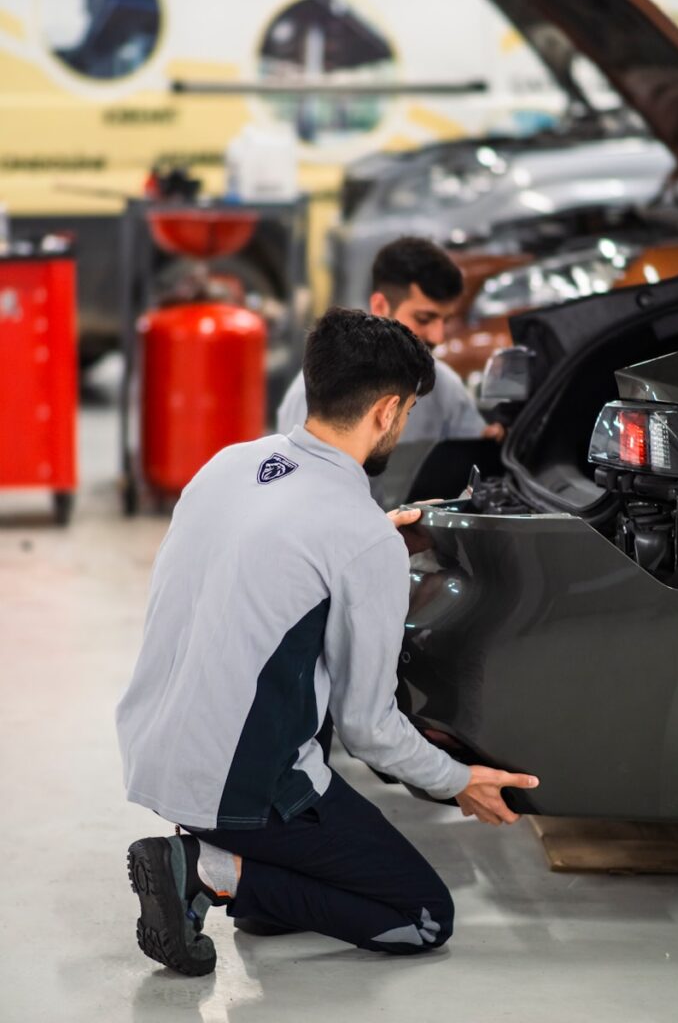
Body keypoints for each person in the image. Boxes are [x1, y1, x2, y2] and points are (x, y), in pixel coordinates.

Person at [117, 308, 538, 977]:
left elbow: (280, 559)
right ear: (389, 410)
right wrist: (459, 781)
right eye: (404, 416)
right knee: (421, 916)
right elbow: (368, 729)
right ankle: (209, 869)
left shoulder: (229, 464)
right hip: (233, 784)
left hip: (154, 749)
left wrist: (369, 539)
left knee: (287, 895)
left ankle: (243, 877)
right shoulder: (359, 537)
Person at [277, 236, 502, 444]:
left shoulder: (445, 389)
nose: (438, 337)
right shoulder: (315, 395)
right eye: (424, 319)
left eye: (446, 321)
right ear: (380, 307)